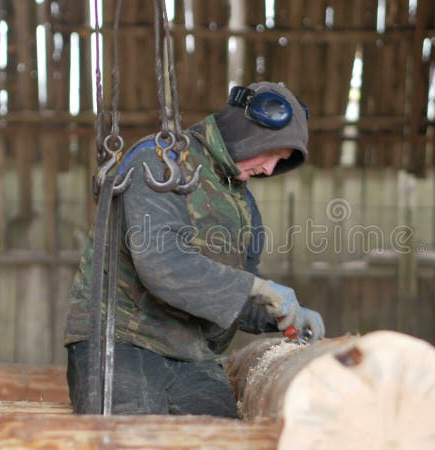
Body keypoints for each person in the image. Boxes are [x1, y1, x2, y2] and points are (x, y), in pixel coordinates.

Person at [64, 81, 325, 417]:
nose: (270, 169)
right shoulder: (160, 163)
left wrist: (282, 313)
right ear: (247, 131)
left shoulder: (242, 204)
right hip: (122, 344)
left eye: (281, 161)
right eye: (272, 153)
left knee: (220, 434)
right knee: (131, 437)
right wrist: (258, 287)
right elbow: (164, 265)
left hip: (193, 356)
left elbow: (227, 289)